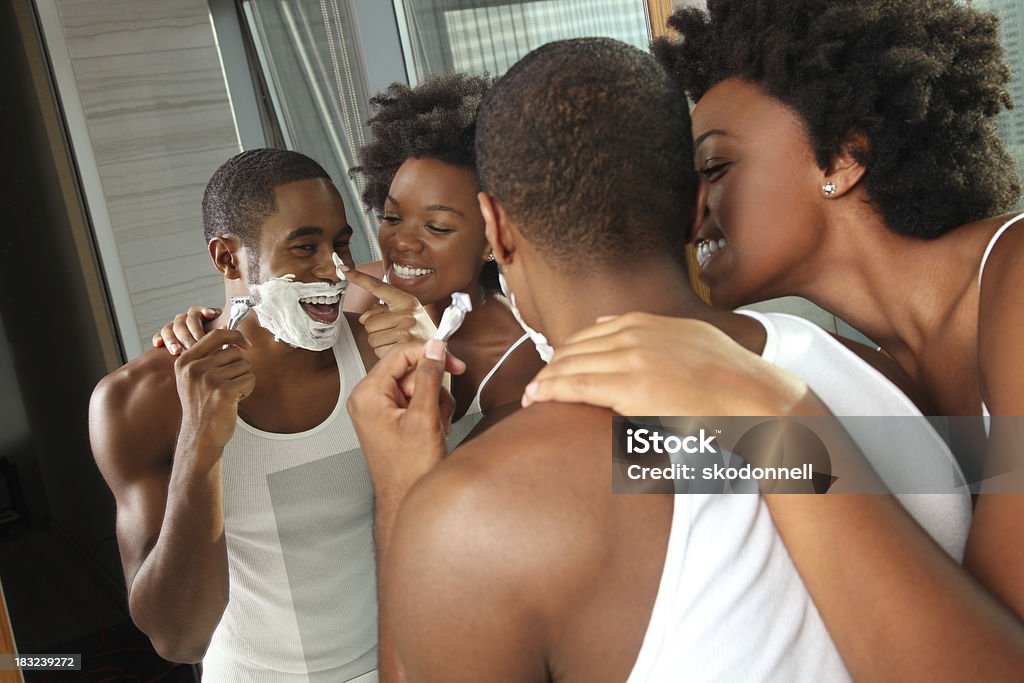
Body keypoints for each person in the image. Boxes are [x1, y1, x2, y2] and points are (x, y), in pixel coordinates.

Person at [347, 38, 974, 682]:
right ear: (696, 204)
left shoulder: (482, 510)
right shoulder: (878, 373)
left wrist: (402, 491)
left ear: (496, 228)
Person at [523, 1, 1024, 677]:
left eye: (715, 167)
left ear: (844, 158)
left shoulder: (1019, 282)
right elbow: (660, 478)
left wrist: (770, 411)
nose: (691, 207)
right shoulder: (879, 374)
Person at [89, 149, 384, 681]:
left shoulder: (379, 349)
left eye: (341, 242)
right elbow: (178, 639)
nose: (336, 269)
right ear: (228, 259)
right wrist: (200, 443)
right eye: (304, 246)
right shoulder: (140, 401)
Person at [154, 73, 543, 441]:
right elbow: (265, 301)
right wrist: (203, 324)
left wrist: (432, 373)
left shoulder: (521, 362)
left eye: (437, 226)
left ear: (493, 237)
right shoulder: (355, 292)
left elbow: (446, 499)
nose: (403, 242)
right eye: (392, 217)